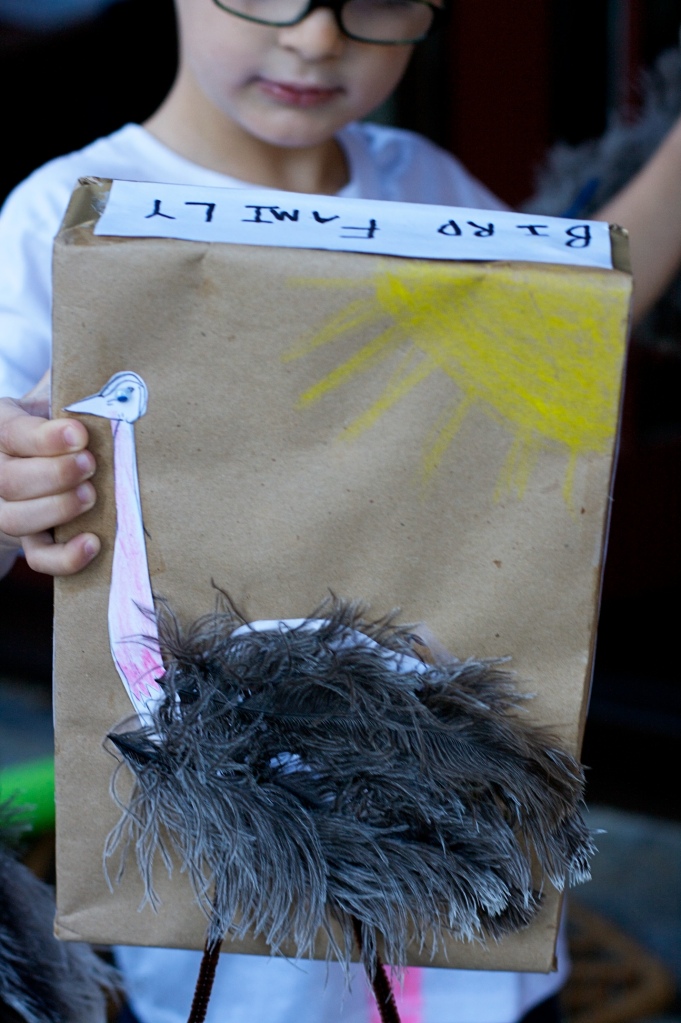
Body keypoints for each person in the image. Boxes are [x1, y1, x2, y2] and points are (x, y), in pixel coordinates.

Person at [1, 1, 681, 1020]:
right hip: (224, 948)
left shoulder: (429, 190)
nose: (317, 37)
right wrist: (16, 487)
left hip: (467, 927)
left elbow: (561, 342)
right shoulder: (61, 219)